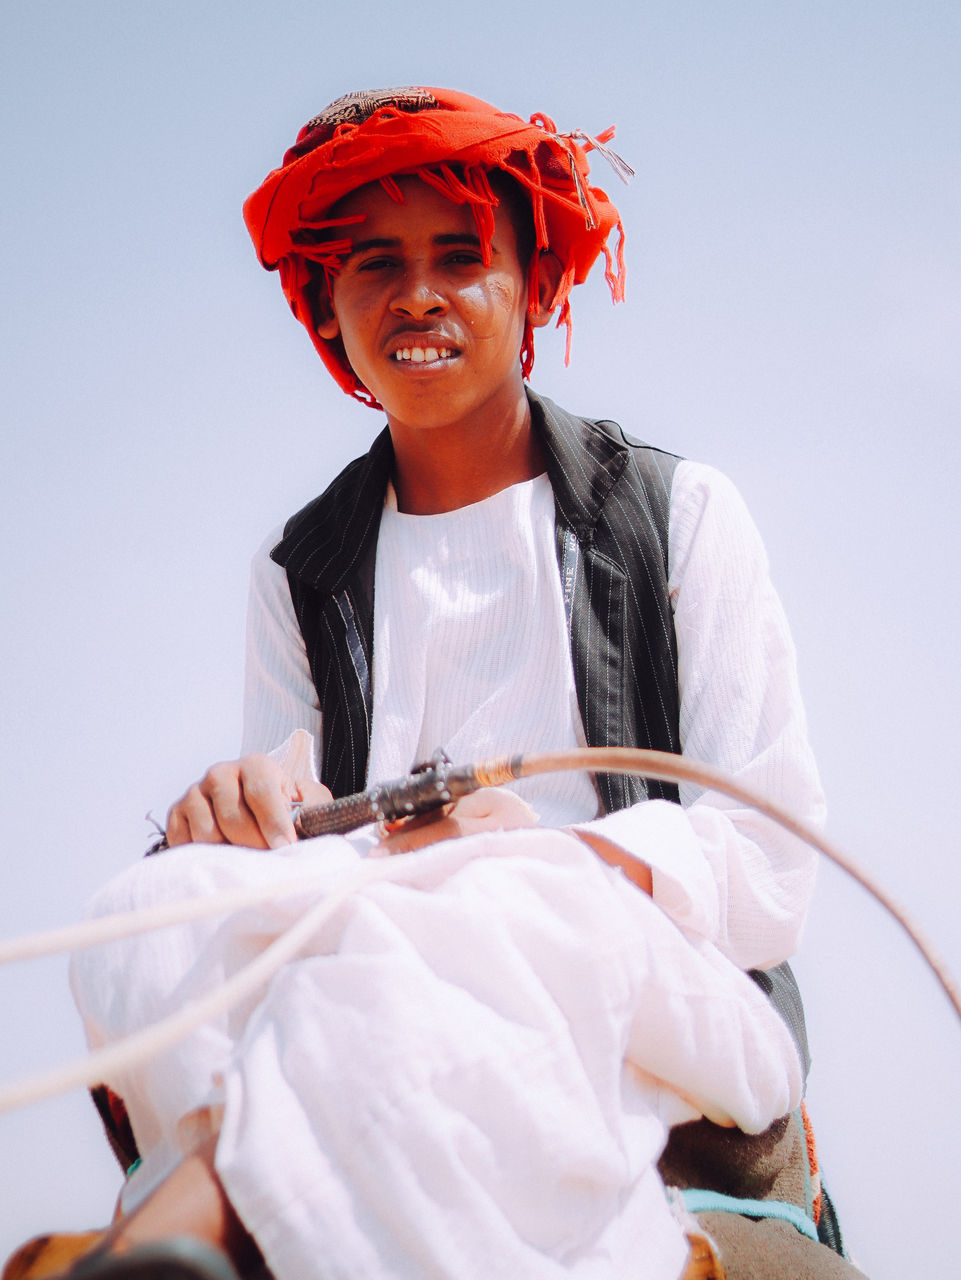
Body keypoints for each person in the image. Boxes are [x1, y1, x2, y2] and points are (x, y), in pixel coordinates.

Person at [45, 88, 866, 1280]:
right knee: (135, 918)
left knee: (476, 916)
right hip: (376, 942)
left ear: (532, 288)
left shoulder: (678, 514)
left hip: (628, 970)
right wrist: (231, 815)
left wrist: (533, 851)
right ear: (329, 308)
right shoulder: (304, 569)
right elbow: (290, 832)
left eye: (458, 258)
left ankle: (192, 1219)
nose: (416, 295)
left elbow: (768, 864)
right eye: (375, 264)